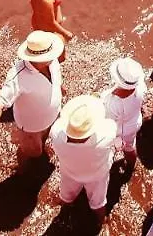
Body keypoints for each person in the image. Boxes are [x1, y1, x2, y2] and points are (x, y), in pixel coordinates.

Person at [0, 30, 65, 165]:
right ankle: (21, 169)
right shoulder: (18, 76)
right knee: (34, 153)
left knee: (47, 137)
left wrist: (61, 89)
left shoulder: (51, 61)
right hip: (31, 127)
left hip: (52, 115)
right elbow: (0, 101)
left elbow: (56, 79)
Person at [50, 95, 117, 227]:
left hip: (69, 173)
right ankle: (100, 222)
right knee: (98, 202)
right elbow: (111, 123)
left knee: (66, 196)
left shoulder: (56, 133)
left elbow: (59, 125)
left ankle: (65, 213)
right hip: (97, 176)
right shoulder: (106, 134)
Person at [101, 58, 145, 169]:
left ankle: (130, 167)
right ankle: (131, 166)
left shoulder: (113, 103)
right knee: (130, 146)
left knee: (127, 148)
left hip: (122, 130)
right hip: (135, 120)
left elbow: (107, 120)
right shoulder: (141, 87)